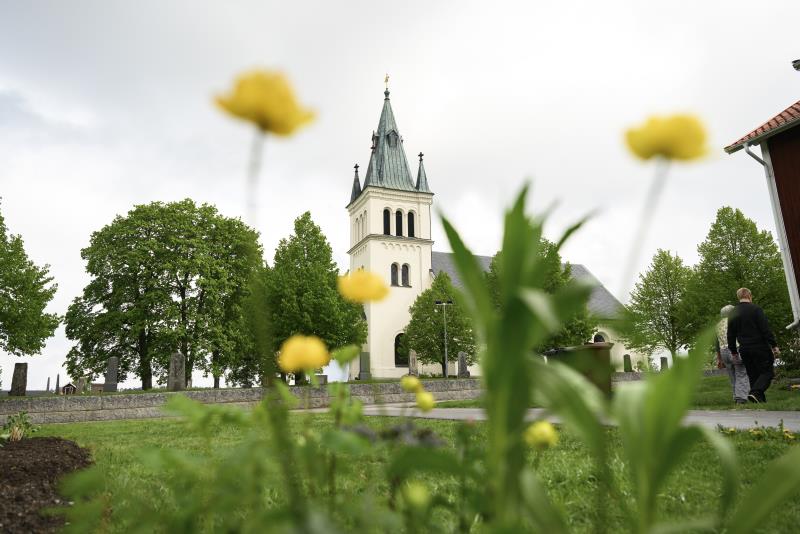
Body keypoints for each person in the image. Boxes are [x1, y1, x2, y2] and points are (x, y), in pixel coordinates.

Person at [726, 288, 780, 403]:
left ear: (738, 297)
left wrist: (734, 351)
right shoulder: (756, 309)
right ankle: (755, 393)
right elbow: (765, 329)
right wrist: (774, 345)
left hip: (744, 349)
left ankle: (759, 401)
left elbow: (730, 335)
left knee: (753, 375)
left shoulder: (733, 313)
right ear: (750, 296)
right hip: (759, 346)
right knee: (768, 372)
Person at [715, 304, 749, 404]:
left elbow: (717, 343)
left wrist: (719, 359)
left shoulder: (718, 325)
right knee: (741, 373)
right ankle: (741, 398)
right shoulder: (735, 321)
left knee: (732, 375)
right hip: (735, 350)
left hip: (723, 352)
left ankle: (735, 397)